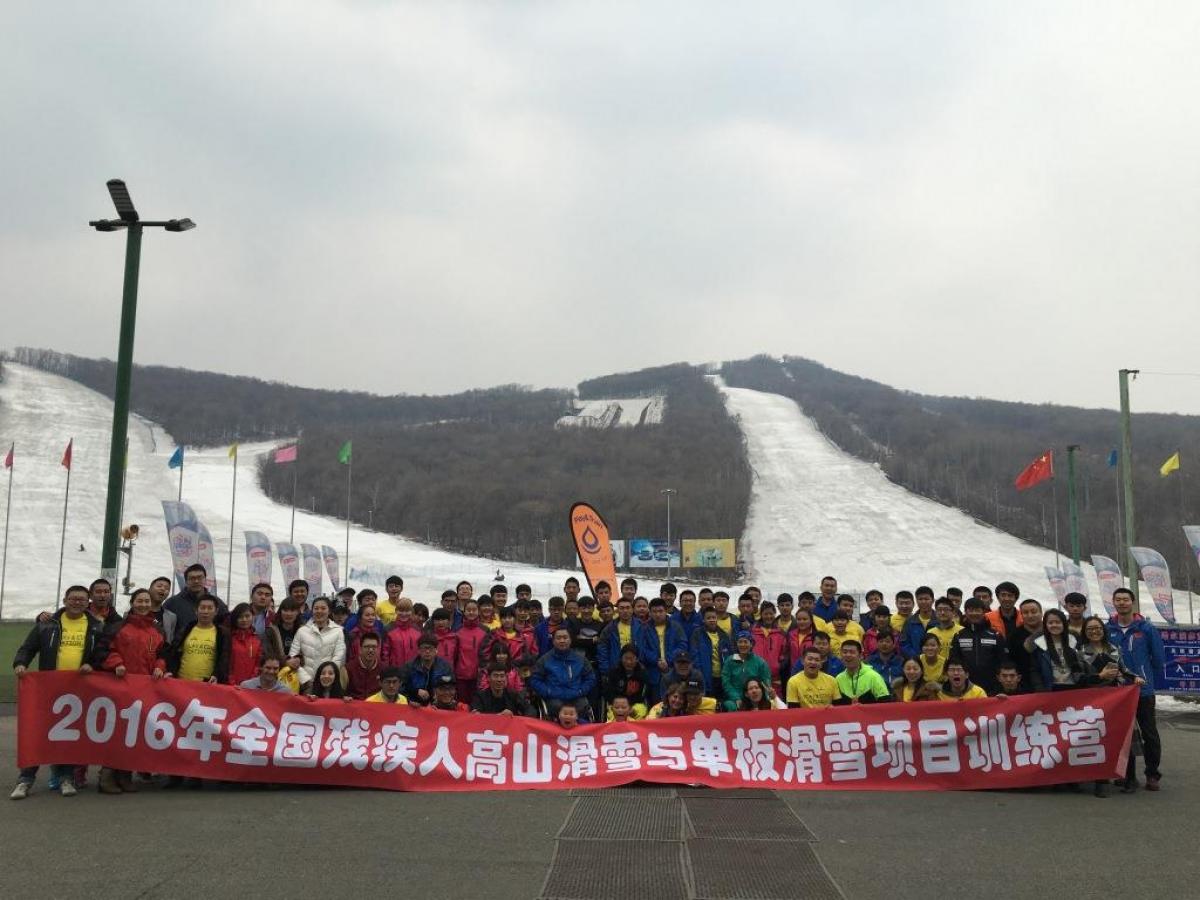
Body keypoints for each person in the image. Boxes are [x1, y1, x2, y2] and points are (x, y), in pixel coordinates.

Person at [11, 585, 104, 800]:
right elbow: (28, 647)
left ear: (87, 602)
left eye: (82, 599)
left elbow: (102, 652)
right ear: (65, 599)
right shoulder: (48, 624)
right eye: (73, 598)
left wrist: (92, 664)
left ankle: (66, 778)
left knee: (69, 735)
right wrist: (20, 663)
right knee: (38, 734)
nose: (77, 602)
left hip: (78, 690)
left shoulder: (95, 626)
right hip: (48, 688)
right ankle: (25, 779)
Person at [100, 589, 167, 794]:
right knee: (117, 731)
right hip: (120, 687)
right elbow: (104, 650)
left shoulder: (157, 630)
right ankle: (107, 776)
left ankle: (126, 775)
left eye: (147, 601)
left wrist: (160, 667)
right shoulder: (119, 627)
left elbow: (163, 654)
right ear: (132, 602)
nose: (144, 604)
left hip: (144, 690)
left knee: (134, 733)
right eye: (140, 600)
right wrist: (116, 663)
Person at [1107, 587, 1165, 792]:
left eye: (1126, 599)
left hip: (1143, 691)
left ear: (1133, 602)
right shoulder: (1108, 629)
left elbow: (1159, 659)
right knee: (1122, 734)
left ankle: (1152, 774)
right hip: (1118, 692)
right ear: (1113, 603)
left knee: (1149, 733)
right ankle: (1124, 774)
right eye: (1118, 599)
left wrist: (1145, 676)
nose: (1122, 603)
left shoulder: (1146, 628)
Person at [530, 626, 596, 721]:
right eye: (558, 638)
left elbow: (590, 678)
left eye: (565, 638)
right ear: (553, 641)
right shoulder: (544, 659)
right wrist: (547, 691)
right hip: (554, 698)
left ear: (570, 640)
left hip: (576, 695)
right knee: (556, 707)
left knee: (583, 705)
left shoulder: (580, 659)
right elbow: (535, 679)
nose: (562, 641)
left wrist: (581, 690)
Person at [948, 598, 1005, 695]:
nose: (974, 613)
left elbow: (1003, 661)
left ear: (984, 612)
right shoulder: (959, 635)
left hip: (992, 687)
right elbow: (954, 661)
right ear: (965, 612)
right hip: (965, 687)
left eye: (977, 610)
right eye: (970, 610)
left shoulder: (995, 635)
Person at [168, 595, 228, 685]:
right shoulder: (186, 630)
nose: (206, 611)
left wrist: (217, 675)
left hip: (206, 685)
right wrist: (171, 671)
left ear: (216, 611)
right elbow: (174, 652)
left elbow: (223, 658)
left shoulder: (222, 633)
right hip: (181, 682)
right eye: (202, 608)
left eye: (210, 608)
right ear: (196, 610)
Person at [291, 596, 346, 688]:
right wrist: (305, 680)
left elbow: (338, 658)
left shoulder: (338, 631)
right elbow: (292, 657)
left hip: (329, 684)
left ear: (329, 611)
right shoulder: (302, 631)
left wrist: (327, 677)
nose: (319, 611)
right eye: (316, 608)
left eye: (323, 608)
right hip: (305, 685)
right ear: (312, 611)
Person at [1031, 609, 1085, 692]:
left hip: (1074, 687)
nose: (1054, 625)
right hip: (1050, 689)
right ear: (1045, 625)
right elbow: (1034, 671)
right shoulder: (1038, 644)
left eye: (1058, 622)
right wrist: (1040, 689)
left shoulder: (1073, 641)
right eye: (1050, 623)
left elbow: (1081, 666)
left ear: (1064, 624)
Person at [164, 563, 227, 631]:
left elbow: (228, 625)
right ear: (186, 581)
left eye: (199, 578)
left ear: (205, 579)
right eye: (192, 578)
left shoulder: (217, 602)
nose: (196, 581)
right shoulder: (172, 603)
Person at [721, 631, 773, 711]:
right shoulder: (729, 661)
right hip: (735, 699)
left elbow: (766, 683)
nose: (743, 645)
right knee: (729, 706)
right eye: (740, 642)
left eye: (746, 642)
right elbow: (726, 682)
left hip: (755, 699)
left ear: (751, 644)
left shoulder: (760, 662)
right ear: (736, 644)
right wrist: (736, 698)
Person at [689, 607, 734, 700]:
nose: (712, 620)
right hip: (705, 676)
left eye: (714, 617)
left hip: (722, 676)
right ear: (703, 620)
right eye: (708, 618)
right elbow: (694, 656)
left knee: (721, 703)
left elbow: (730, 656)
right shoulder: (697, 634)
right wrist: (700, 674)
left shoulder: (723, 635)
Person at [646, 598, 685, 701]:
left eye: (660, 611)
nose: (657, 614)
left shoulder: (676, 627)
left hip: (673, 670)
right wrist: (657, 660)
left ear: (666, 611)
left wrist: (668, 660)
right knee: (656, 704)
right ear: (650, 612)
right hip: (653, 672)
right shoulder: (645, 628)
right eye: (654, 612)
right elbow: (642, 649)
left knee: (674, 702)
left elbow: (682, 645)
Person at [263, 597, 305, 692]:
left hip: (299, 676)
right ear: (280, 611)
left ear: (297, 612)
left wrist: (300, 660)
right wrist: (285, 662)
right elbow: (267, 653)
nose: (288, 614)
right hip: (275, 676)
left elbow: (308, 652)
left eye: (292, 610)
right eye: (285, 610)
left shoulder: (304, 630)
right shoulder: (271, 630)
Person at [402, 634, 454, 706]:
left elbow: (450, 689)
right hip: (414, 705)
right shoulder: (409, 667)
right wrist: (414, 694)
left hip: (438, 706)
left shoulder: (445, 667)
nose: (427, 651)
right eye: (424, 648)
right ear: (419, 651)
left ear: (436, 650)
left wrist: (439, 700)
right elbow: (400, 689)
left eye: (430, 648)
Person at [453, 599, 487, 702]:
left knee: (477, 704)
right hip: (461, 676)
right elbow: (454, 654)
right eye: (468, 610)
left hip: (478, 676)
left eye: (474, 610)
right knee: (462, 704)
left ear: (478, 611)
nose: (471, 612)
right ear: (464, 611)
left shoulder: (485, 630)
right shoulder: (457, 631)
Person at [603, 644, 649, 719]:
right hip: (616, 704)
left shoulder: (643, 674)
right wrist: (621, 706)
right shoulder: (613, 673)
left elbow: (642, 695)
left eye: (631, 659)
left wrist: (628, 708)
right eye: (626, 658)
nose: (628, 662)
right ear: (621, 658)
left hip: (635, 704)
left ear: (637, 659)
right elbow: (609, 693)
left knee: (640, 713)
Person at [752, 602, 788, 695]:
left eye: (771, 613)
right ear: (761, 615)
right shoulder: (753, 632)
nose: (768, 616)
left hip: (775, 676)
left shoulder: (781, 633)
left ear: (775, 614)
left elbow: (785, 653)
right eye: (765, 614)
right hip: (755, 676)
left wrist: (779, 666)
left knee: (775, 703)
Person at [227, 602, 264, 686]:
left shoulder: (257, 639)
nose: (244, 619)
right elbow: (227, 664)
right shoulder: (229, 638)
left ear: (253, 617)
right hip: (231, 685)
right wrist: (232, 683)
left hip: (251, 686)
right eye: (240, 617)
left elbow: (258, 664)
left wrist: (251, 682)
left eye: (247, 616)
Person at [1007, 598, 1044, 684]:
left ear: (1041, 613)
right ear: (1021, 615)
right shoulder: (1014, 636)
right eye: (1025, 613)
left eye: (1034, 611)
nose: (1030, 615)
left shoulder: (1051, 632)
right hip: (1024, 683)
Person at [345, 632, 385, 700]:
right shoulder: (349, 668)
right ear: (360, 649)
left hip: (375, 706)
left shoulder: (384, 669)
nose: (370, 650)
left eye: (374, 647)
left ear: (378, 649)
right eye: (367, 647)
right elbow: (342, 693)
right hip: (354, 707)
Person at [924, 598, 963, 664]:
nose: (942, 613)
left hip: (955, 669)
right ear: (936, 613)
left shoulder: (962, 631)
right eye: (939, 610)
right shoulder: (930, 632)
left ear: (953, 612)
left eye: (946, 610)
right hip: (937, 668)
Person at [149, 576, 179, 643]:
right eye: (159, 586)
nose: (163, 589)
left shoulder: (172, 617)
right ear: (150, 589)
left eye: (167, 588)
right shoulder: (135, 612)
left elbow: (169, 640)